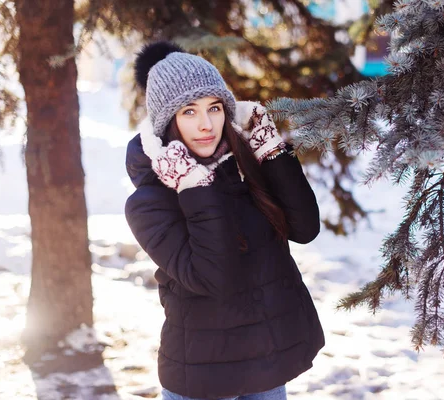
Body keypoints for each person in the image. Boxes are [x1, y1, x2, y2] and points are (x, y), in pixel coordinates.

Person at [124, 41, 325, 400]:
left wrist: (270, 151)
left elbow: (305, 229)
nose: (206, 125)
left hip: (265, 366)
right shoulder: (150, 202)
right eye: (188, 112)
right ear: (166, 122)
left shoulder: (244, 171)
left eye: (214, 108)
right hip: (203, 378)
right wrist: (193, 185)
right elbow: (214, 277)